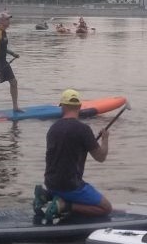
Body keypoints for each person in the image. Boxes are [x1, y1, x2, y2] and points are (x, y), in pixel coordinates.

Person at [34, 89, 112, 221]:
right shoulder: (83, 130)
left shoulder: (53, 129)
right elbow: (101, 157)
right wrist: (105, 139)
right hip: (70, 186)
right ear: (80, 107)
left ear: (62, 107)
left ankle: (47, 196)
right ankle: (64, 205)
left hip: (51, 183)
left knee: (63, 184)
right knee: (106, 208)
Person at [0, 11, 21, 113]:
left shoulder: (4, 32)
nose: (9, 21)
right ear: (0, 21)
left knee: (14, 82)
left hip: (3, 61)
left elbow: (3, 48)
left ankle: (15, 107)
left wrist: (13, 53)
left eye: (9, 19)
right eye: (7, 19)